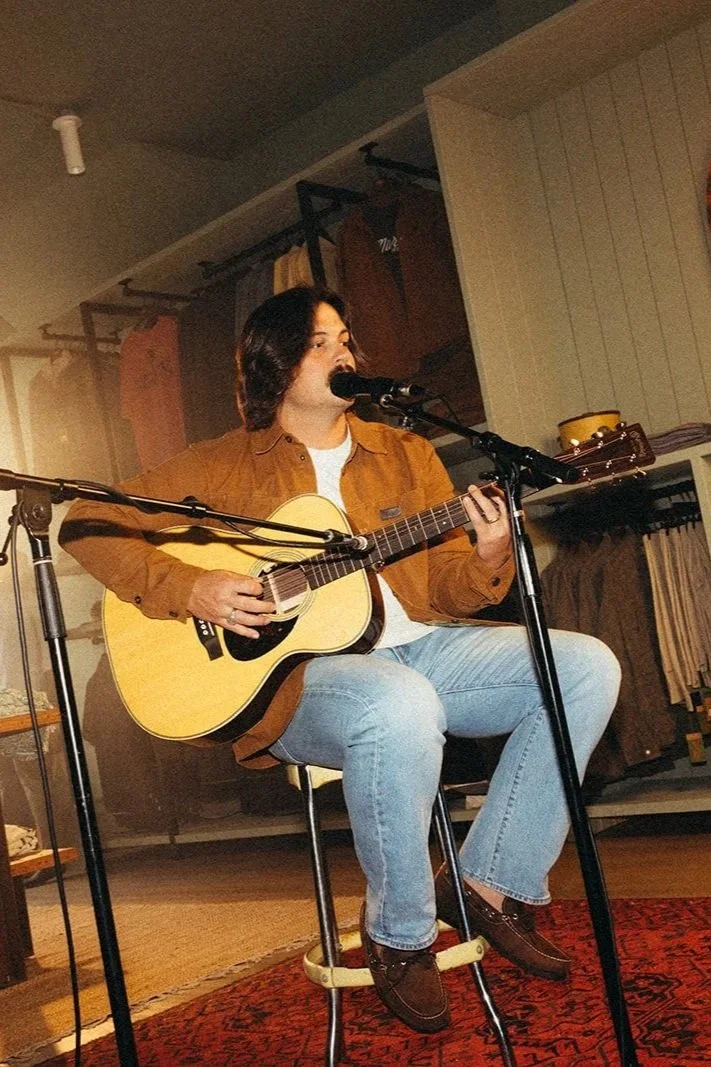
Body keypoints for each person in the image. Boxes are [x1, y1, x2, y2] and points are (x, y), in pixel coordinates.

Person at [59, 285, 620, 1034]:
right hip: (297, 683)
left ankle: (485, 883)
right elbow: (86, 521)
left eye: (346, 338)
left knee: (583, 664)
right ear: (274, 365)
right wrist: (192, 587)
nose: (343, 352)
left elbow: (452, 583)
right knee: (396, 702)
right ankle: (400, 932)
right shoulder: (223, 466)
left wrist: (488, 550)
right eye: (321, 342)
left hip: (420, 646)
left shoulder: (406, 453)